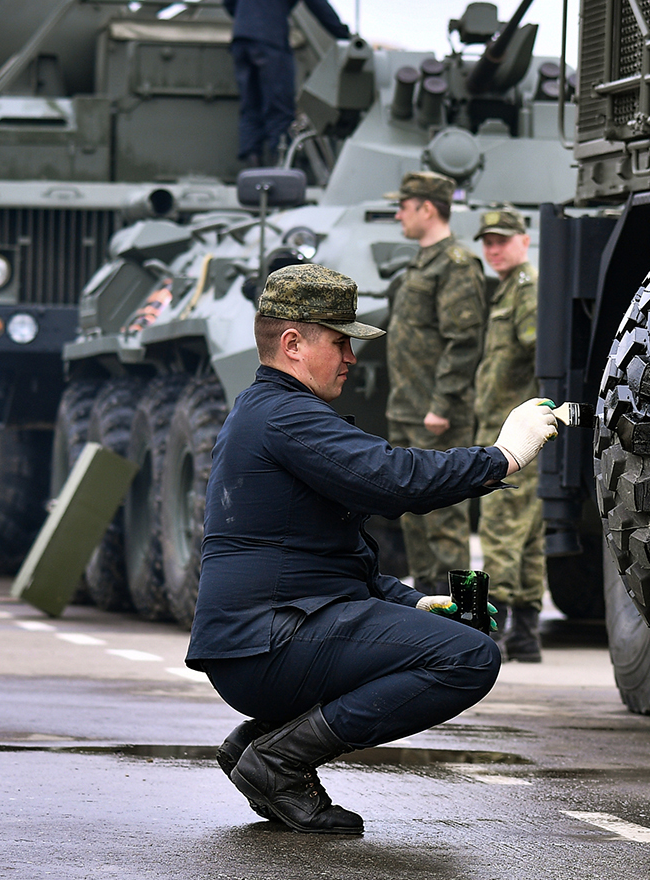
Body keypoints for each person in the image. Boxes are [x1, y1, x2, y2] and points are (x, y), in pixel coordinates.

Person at [188, 263, 558, 834]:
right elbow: (394, 478)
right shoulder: (286, 416)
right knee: (468, 658)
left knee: (451, 637)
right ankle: (281, 759)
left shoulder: (267, 413)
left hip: (262, 638)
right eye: (340, 343)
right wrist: (503, 455)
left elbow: (330, 559)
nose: (351, 359)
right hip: (267, 642)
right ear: (292, 343)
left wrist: (415, 605)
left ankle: (260, 744)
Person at [385, 171, 488, 597]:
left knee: (446, 520)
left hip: (435, 415)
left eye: (404, 207)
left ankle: (468, 613)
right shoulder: (421, 262)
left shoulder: (457, 265)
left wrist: (442, 405)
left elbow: (464, 342)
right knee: (412, 513)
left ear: (427, 208)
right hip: (407, 410)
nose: (397, 215)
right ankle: (429, 606)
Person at [471, 207, 546, 662]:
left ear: (524, 240)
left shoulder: (526, 289)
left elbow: (538, 348)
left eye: (502, 240)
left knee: (500, 527)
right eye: (487, 242)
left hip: (513, 435)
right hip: (516, 431)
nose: (493, 249)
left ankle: (488, 629)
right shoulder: (509, 289)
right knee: (527, 533)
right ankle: (526, 634)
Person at [222, 0, 352, 167]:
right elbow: (317, 3)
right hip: (270, 43)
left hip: (242, 42)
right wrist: (344, 35)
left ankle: (251, 161)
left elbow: (228, 2)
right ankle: (278, 165)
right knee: (278, 106)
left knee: (250, 105)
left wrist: (247, 20)